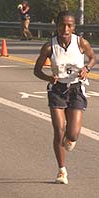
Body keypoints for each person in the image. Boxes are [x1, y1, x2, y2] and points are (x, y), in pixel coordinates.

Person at [34, 10, 96, 184]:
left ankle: (70, 138)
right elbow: (36, 70)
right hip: (57, 90)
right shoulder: (49, 46)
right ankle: (61, 170)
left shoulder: (80, 42)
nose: (65, 28)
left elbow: (92, 58)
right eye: (62, 25)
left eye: (69, 25)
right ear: (57, 25)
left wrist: (86, 69)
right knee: (58, 130)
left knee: (73, 135)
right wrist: (49, 78)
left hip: (76, 89)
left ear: (74, 27)